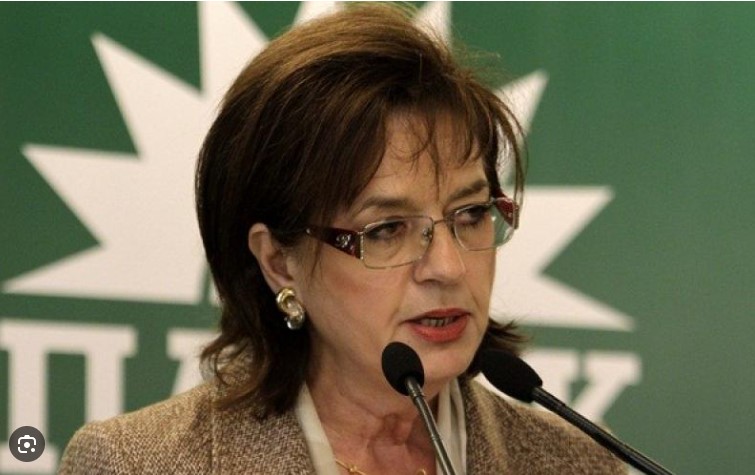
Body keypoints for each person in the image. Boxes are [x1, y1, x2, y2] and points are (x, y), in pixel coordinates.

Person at [59, 4, 625, 474]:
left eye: (471, 213)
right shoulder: (136, 464)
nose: (448, 267)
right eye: (387, 230)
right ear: (279, 262)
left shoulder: (579, 464)